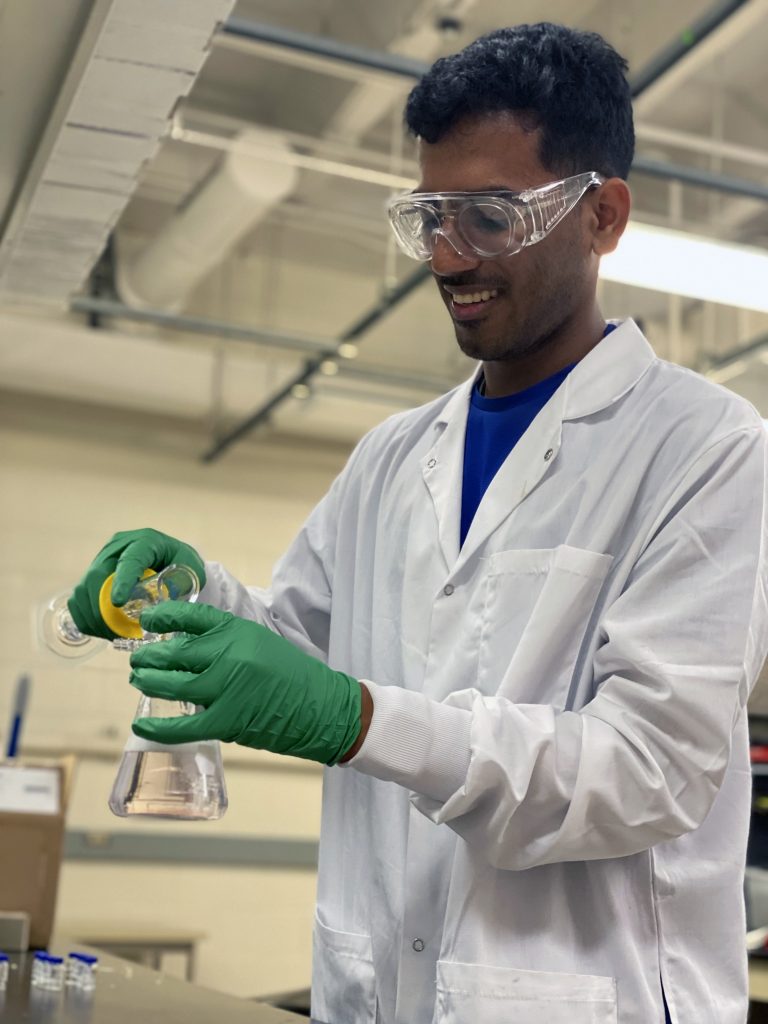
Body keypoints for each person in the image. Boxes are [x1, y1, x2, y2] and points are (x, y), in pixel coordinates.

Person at [68, 22, 768, 1024]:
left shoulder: (706, 447)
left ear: (602, 214)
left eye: (488, 215)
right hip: (383, 991)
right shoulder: (394, 457)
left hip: (584, 998)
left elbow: (648, 772)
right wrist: (196, 602)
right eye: (430, 214)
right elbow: (306, 647)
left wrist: (358, 719)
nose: (446, 256)